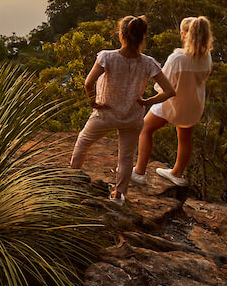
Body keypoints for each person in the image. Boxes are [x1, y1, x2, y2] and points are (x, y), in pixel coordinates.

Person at [70, 15, 174, 204]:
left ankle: (71, 182)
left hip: (106, 114)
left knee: (83, 142)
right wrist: (147, 101)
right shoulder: (148, 62)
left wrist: (93, 102)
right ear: (142, 37)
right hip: (132, 117)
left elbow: (88, 82)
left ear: (121, 35)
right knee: (126, 157)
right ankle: (119, 195)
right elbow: (169, 91)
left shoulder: (107, 57)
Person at [133, 15, 214, 188]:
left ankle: (139, 172)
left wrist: (150, 98)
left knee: (145, 129)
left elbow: (164, 85)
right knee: (185, 138)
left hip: (172, 102)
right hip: (193, 104)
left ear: (186, 35)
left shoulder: (177, 58)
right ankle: (177, 173)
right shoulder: (207, 57)